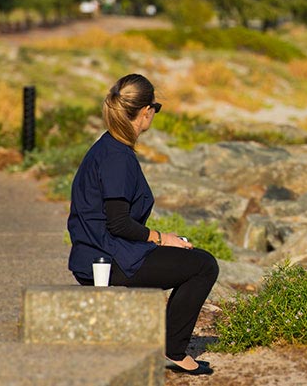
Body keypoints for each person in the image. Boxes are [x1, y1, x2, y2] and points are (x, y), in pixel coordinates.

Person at [66, 74, 218, 376]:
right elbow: (119, 222)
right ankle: (173, 350)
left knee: (194, 260)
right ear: (146, 111)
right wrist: (161, 238)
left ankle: (169, 344)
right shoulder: (117, 157)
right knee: (204, 265)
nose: (154, 114)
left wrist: (156, 240)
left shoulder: (109, 146)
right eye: (155, 108)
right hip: (107, 261)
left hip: (101, 253)